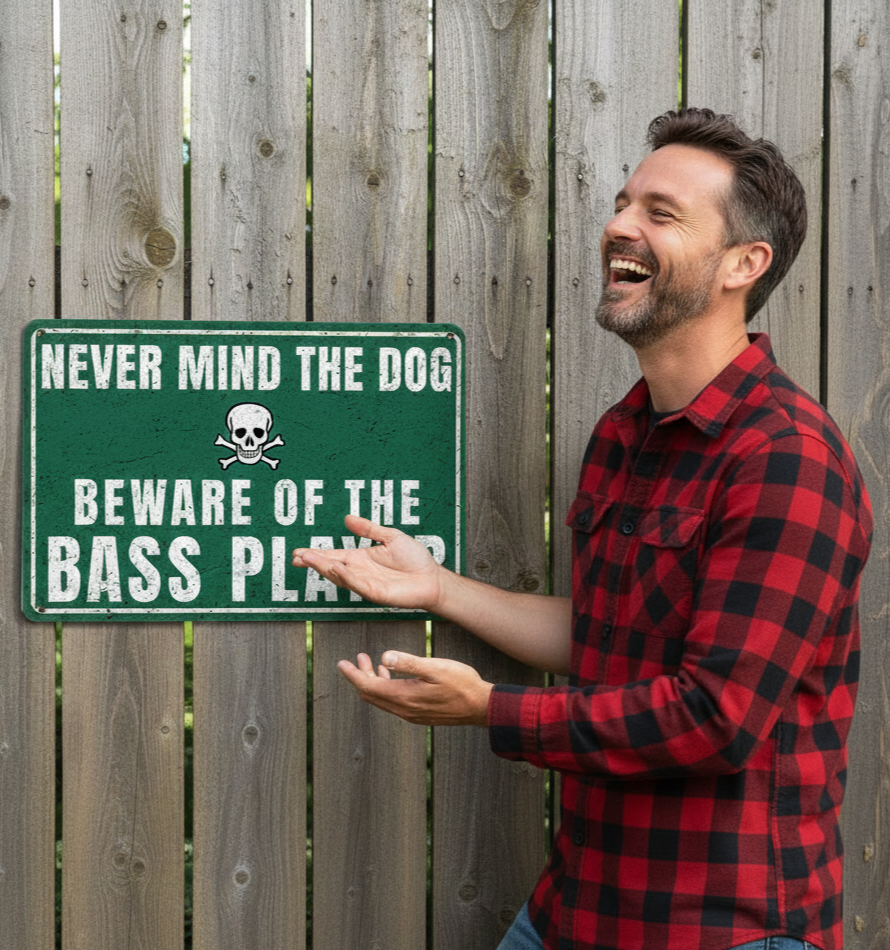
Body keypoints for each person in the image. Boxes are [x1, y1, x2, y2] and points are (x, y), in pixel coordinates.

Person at [293, 108, 873, 950]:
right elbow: (609, 636)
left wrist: (490, 709)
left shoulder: (787, 457)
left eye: (660, 213)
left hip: (725, 930)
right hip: (576, 910)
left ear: (744, 264)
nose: (618, 226)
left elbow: (716, 717)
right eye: (623, 201)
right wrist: (439, 588)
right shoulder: (622, 433)